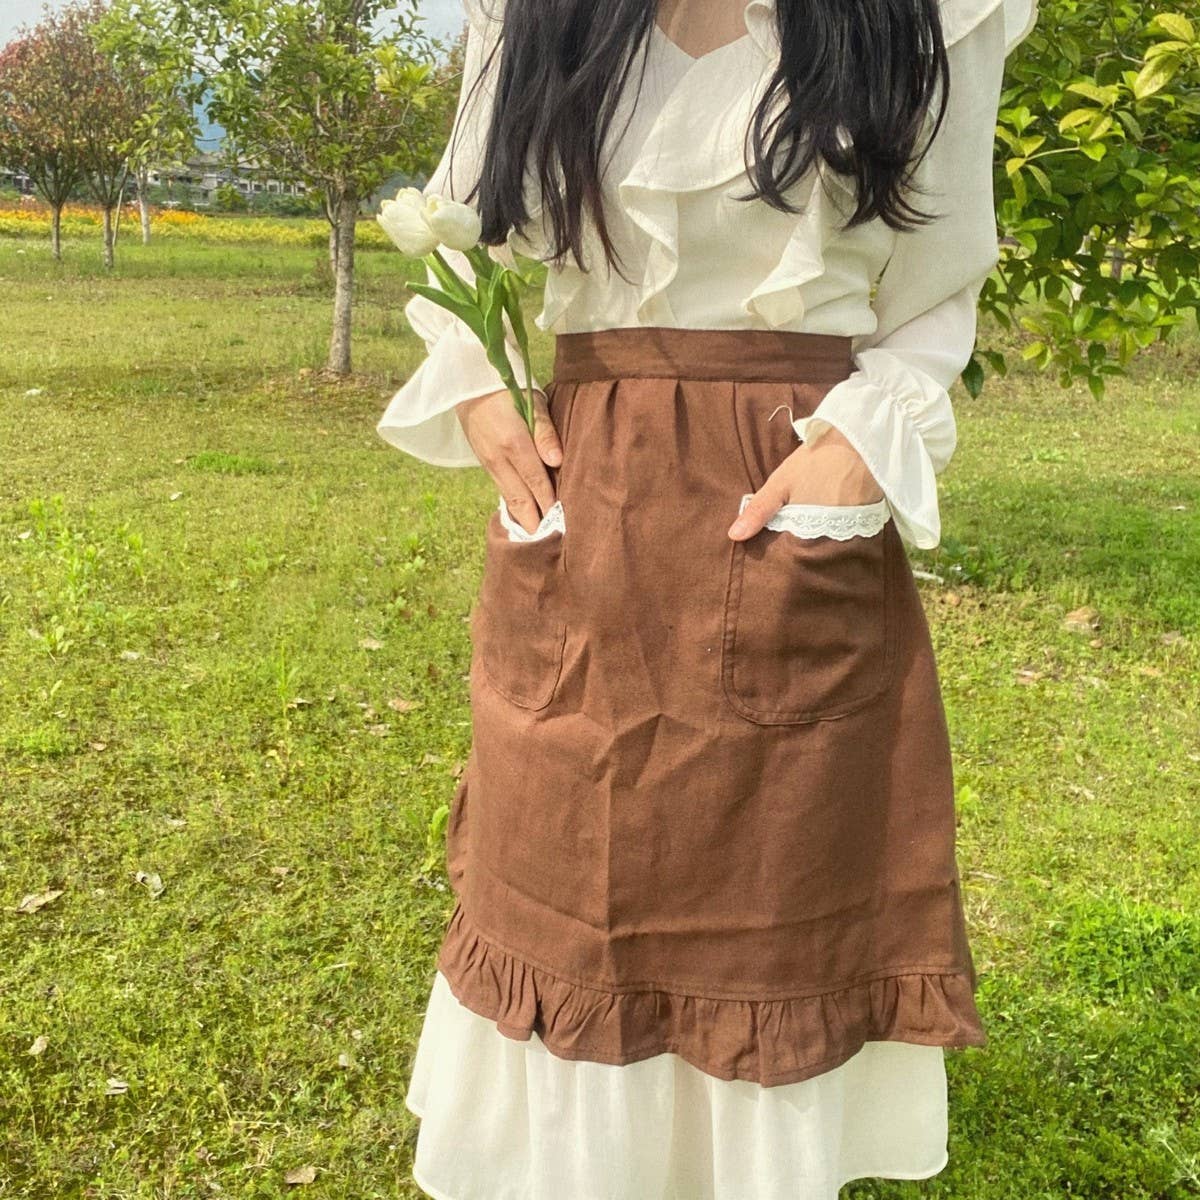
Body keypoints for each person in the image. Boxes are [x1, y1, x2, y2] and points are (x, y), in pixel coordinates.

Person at [377, 0, 1038, 1195]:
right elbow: (455, 225)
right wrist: (475, 385)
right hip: (589, 500)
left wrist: (854, 444)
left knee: (779, 879)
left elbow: (944, 280)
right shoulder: (528, 13)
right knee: (569, 871)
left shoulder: (932, 16)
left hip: (789, 476)